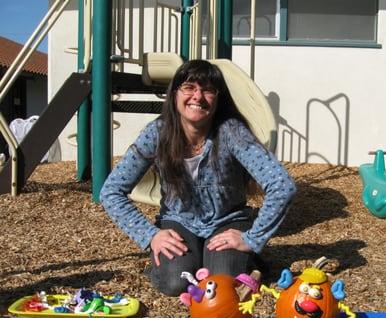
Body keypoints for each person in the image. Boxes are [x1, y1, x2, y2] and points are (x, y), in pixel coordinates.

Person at [100, 59, 296, 296]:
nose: (198, 96)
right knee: (175, 282)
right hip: (178, 222)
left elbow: (281, 184)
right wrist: (150, 235)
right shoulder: (158, 133)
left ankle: (243, 260)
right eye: (189, 87)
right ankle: (175, 263)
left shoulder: (231, 131)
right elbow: (111, 191)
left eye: (208, 90)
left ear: (218, 98)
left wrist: (252, 239)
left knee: (221, 284)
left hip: (227, 221)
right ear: (174, 94)